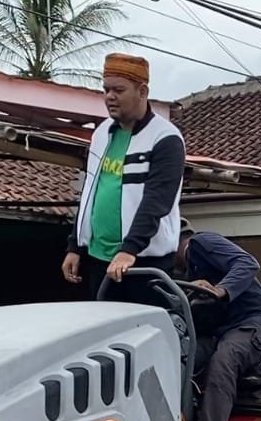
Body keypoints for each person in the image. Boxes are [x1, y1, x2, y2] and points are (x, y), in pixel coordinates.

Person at [61, 53, 185, 308]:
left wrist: (130, 249)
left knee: (145, 328)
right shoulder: (101, 134)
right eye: (106, 90)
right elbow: (90, 192)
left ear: (142, 91)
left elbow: (157, 201)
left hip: (143, 262)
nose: (110, 96)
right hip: (100, 259)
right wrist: (75, 246)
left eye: (119, 90)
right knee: (103, 327)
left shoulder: (165, 138)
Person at [174, 222, 261, 421]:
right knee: (180, 353)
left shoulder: (200, 243)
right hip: (221, 332)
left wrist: (221, 289)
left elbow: (247, 263)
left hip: (258, 324)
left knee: (225, 357)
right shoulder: (182, 274)